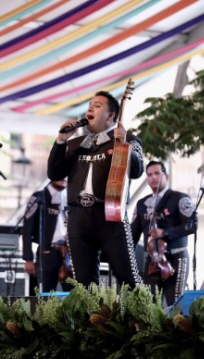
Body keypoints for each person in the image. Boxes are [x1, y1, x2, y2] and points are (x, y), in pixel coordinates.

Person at [47, 90, 143, 289]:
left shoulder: (128, 140)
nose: (90, 108)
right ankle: (92, 320)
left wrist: (123, 145)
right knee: (84, 283)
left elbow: (137, 170)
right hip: (78, 217)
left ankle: (142, 319)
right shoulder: (74, 144)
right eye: (89, 105)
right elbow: (54, 173)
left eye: (97, 106)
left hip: (110, 215)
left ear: (110, 116)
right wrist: (60, 140)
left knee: (127, 278)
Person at [131, 160, 196, 306]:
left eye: (157, 173)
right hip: (152, 261)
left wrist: (165, 232)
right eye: (149, 175)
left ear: (166, 176)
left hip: (176, 259)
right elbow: (132, 235)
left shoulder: (180, 198)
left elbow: (192, 225)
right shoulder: (142, 204)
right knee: (150, 305)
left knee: (175, 304)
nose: (153, 177)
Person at [22, 179, 72, 293]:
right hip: (48, 252)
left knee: (72, 294)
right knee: (44, 294)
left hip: (69, 253)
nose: (63, 178)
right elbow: (27, 229)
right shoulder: (39, 197)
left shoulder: (71, 197)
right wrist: (28, 259)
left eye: (66, 175)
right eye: (60, 175)